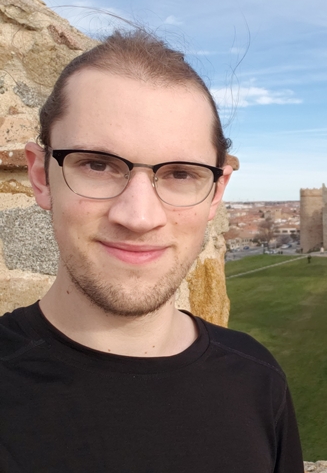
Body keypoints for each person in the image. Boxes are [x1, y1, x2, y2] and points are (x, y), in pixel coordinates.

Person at [0, 30, 303, 472]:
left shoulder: (258, 380)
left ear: (216, 193)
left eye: (181, 174)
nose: (139, 217)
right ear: (41, 177)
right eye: (97, 165)